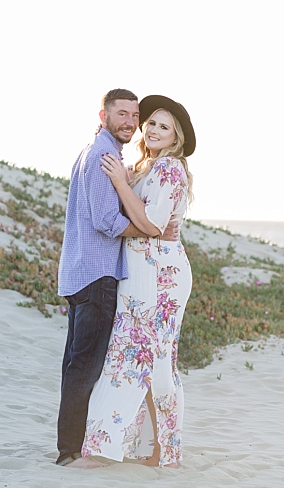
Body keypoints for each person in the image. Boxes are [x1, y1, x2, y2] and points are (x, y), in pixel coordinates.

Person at [68, 94, 195, 469]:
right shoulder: (147, 167)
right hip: (142, 269)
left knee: (136, 355)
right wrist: (128, 183)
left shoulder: (170, 168)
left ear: (176, 137)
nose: (153, 130)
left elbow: (153, 224)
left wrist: (121, 184)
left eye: (163, 126)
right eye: (151, 123)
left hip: (161, 275)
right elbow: (143, 220)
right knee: (151, 359)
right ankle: (162, 452)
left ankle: (107, 450)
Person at [55, 88, 145, 466]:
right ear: (103, 114)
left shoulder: (94, 152)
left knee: (76, 364)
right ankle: (70, 452)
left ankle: (69, 446)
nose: (130, 122)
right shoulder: (103, 154)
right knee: (85, 366)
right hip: (96, 276)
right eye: (122, 114)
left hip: (80, 273)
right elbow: (107, 221)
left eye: (134, 115)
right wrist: (147, 228)